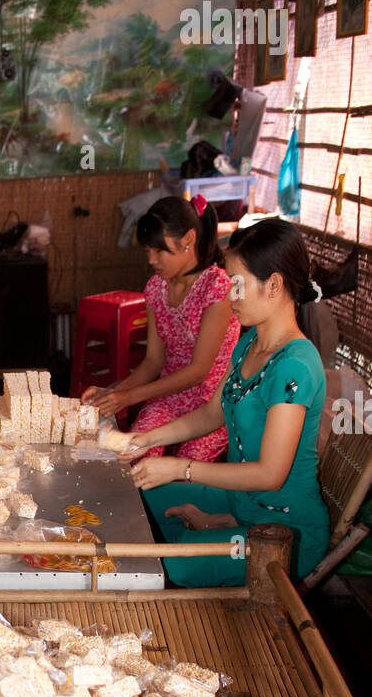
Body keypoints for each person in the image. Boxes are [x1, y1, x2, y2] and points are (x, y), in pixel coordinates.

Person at [123, 218, 330, 587]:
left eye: (237, 284)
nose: (228, 295)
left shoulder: (294, 365)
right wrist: (145, 441)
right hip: (243, 507)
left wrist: (180, 468)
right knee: (141, 494)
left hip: (282, 535)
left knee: (173, 568)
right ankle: (209, 534)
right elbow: (210, 414)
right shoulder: (250, 343)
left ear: (275, 285)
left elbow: (270, 473)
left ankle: (201, 552)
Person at [83, 195, 240, 461]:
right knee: (132, 456)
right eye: (147, 251)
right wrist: (112, 392)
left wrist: (128, 396)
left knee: (184, 475)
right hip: (169, 397)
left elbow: (199, 372)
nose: (152, 260)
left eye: (159, 251)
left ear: (188, 239)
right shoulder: (156, 288)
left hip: (213, 405)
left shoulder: (217, 287)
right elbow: (153, 361)